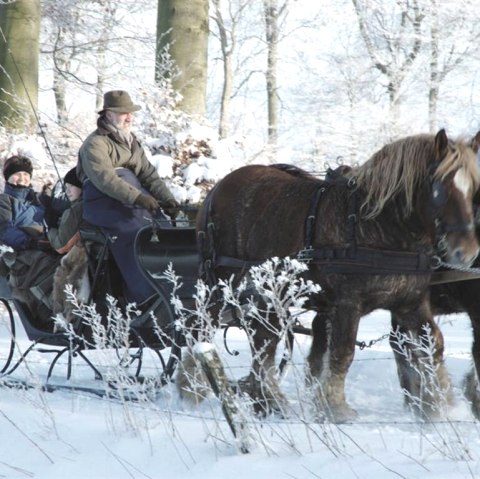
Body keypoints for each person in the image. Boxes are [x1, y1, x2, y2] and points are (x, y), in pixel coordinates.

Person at [77, 90, 178, 307]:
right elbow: (105, 180)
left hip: (133, 198)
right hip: (103, 202)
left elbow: (149, 175)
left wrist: (168, 200)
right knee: (135, 232)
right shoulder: (95, 144)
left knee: (163, 227)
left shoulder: (132, 142)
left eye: (131, 113)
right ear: (109, 114)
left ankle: (174, 286)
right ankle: (145, 296)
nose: (129, 117)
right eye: (123, 113)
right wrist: (139, 198)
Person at [0, 155, 60, 327]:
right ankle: (47, 316)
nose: (22, 178)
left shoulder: (40, 201)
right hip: (20, 253)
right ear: (8, 177)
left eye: (26, 175)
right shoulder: (5, 201)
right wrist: (30, 242)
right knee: (47, 265)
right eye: (17, 174)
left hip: (47, 246)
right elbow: (4, 230)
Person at [46, 167, 90, 331]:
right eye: (66, 186)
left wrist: (49, 228)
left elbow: (61, 246)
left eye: (72, 186)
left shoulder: (75, 209)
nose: (68, 190)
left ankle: (63, 319)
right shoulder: (88, 206)